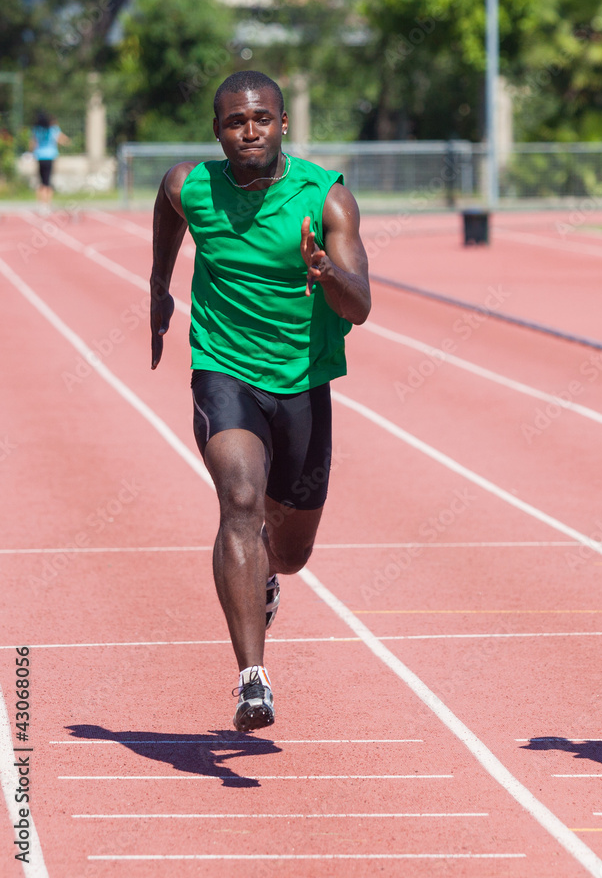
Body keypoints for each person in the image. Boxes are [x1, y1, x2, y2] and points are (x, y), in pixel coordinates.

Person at [150, 71, 371, 732]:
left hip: (303, 381)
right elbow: (168, 211)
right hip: (223, 369)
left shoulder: (324, 198)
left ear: (282, 124)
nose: (249, 131)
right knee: (240, 499)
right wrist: (159, 284)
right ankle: (253, 678)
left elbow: (360, 306)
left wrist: (327, 272)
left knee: (293, 552)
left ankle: (265, 578)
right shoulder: (191, 185)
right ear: (218, 131)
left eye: (262, 119)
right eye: (234, 122)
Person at [30, 112, 70, 209]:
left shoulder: (36, 130)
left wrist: (30, 153)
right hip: (50, 156)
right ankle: (47, 203)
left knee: (41, 181)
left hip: (39, 156)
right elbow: (64, 140)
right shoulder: (53, 129)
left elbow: (33, 144)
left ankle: (40, 203)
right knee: (47, 181)